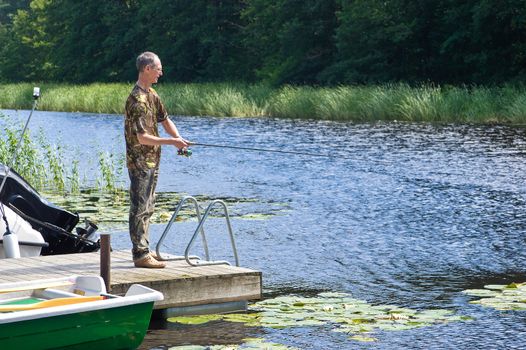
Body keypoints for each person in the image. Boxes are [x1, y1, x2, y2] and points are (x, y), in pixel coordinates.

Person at [124, 51, 190, 268]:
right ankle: (140, 254)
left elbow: (165, 119)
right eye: (158, 68)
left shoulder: (152, 95)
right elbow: (142, 138)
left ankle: (146, 249)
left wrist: (178, 138)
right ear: (147, 69)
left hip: (153, 161)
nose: (161, 72)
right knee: (140, 206)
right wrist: (172, 143)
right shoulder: (137, 100)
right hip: (140, 162)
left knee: (149, 206)